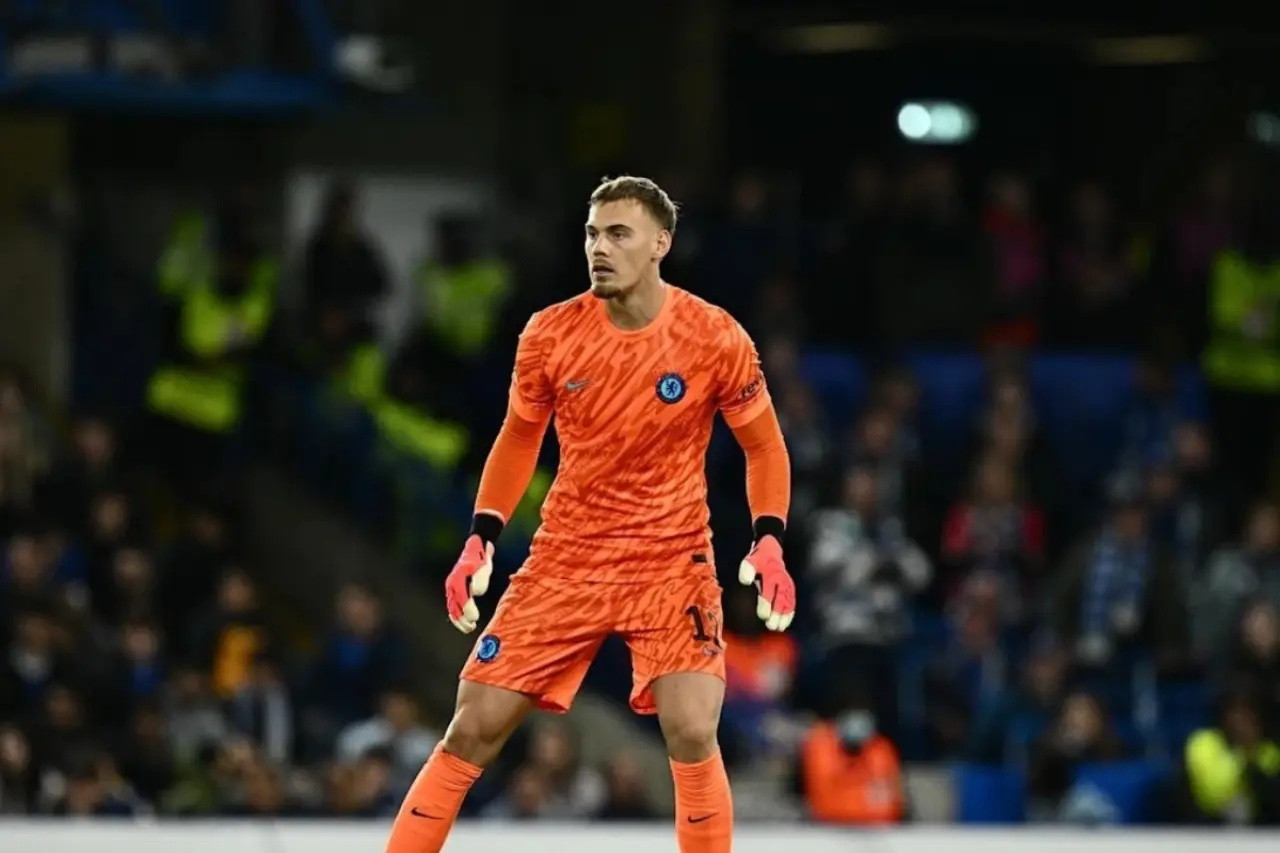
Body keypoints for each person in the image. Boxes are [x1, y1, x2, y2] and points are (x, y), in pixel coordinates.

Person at [382, 176, 795, 853]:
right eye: (592, 234)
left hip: (670, 560)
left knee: (694, 727)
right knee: (473, 726)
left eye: (618, 234)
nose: (599, 248)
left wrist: (769, 539)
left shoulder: (714, 336)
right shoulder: (550, 334)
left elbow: (765, 446)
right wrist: (481, 537)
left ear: (661, 244)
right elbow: (518, 438)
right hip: (568, 558)